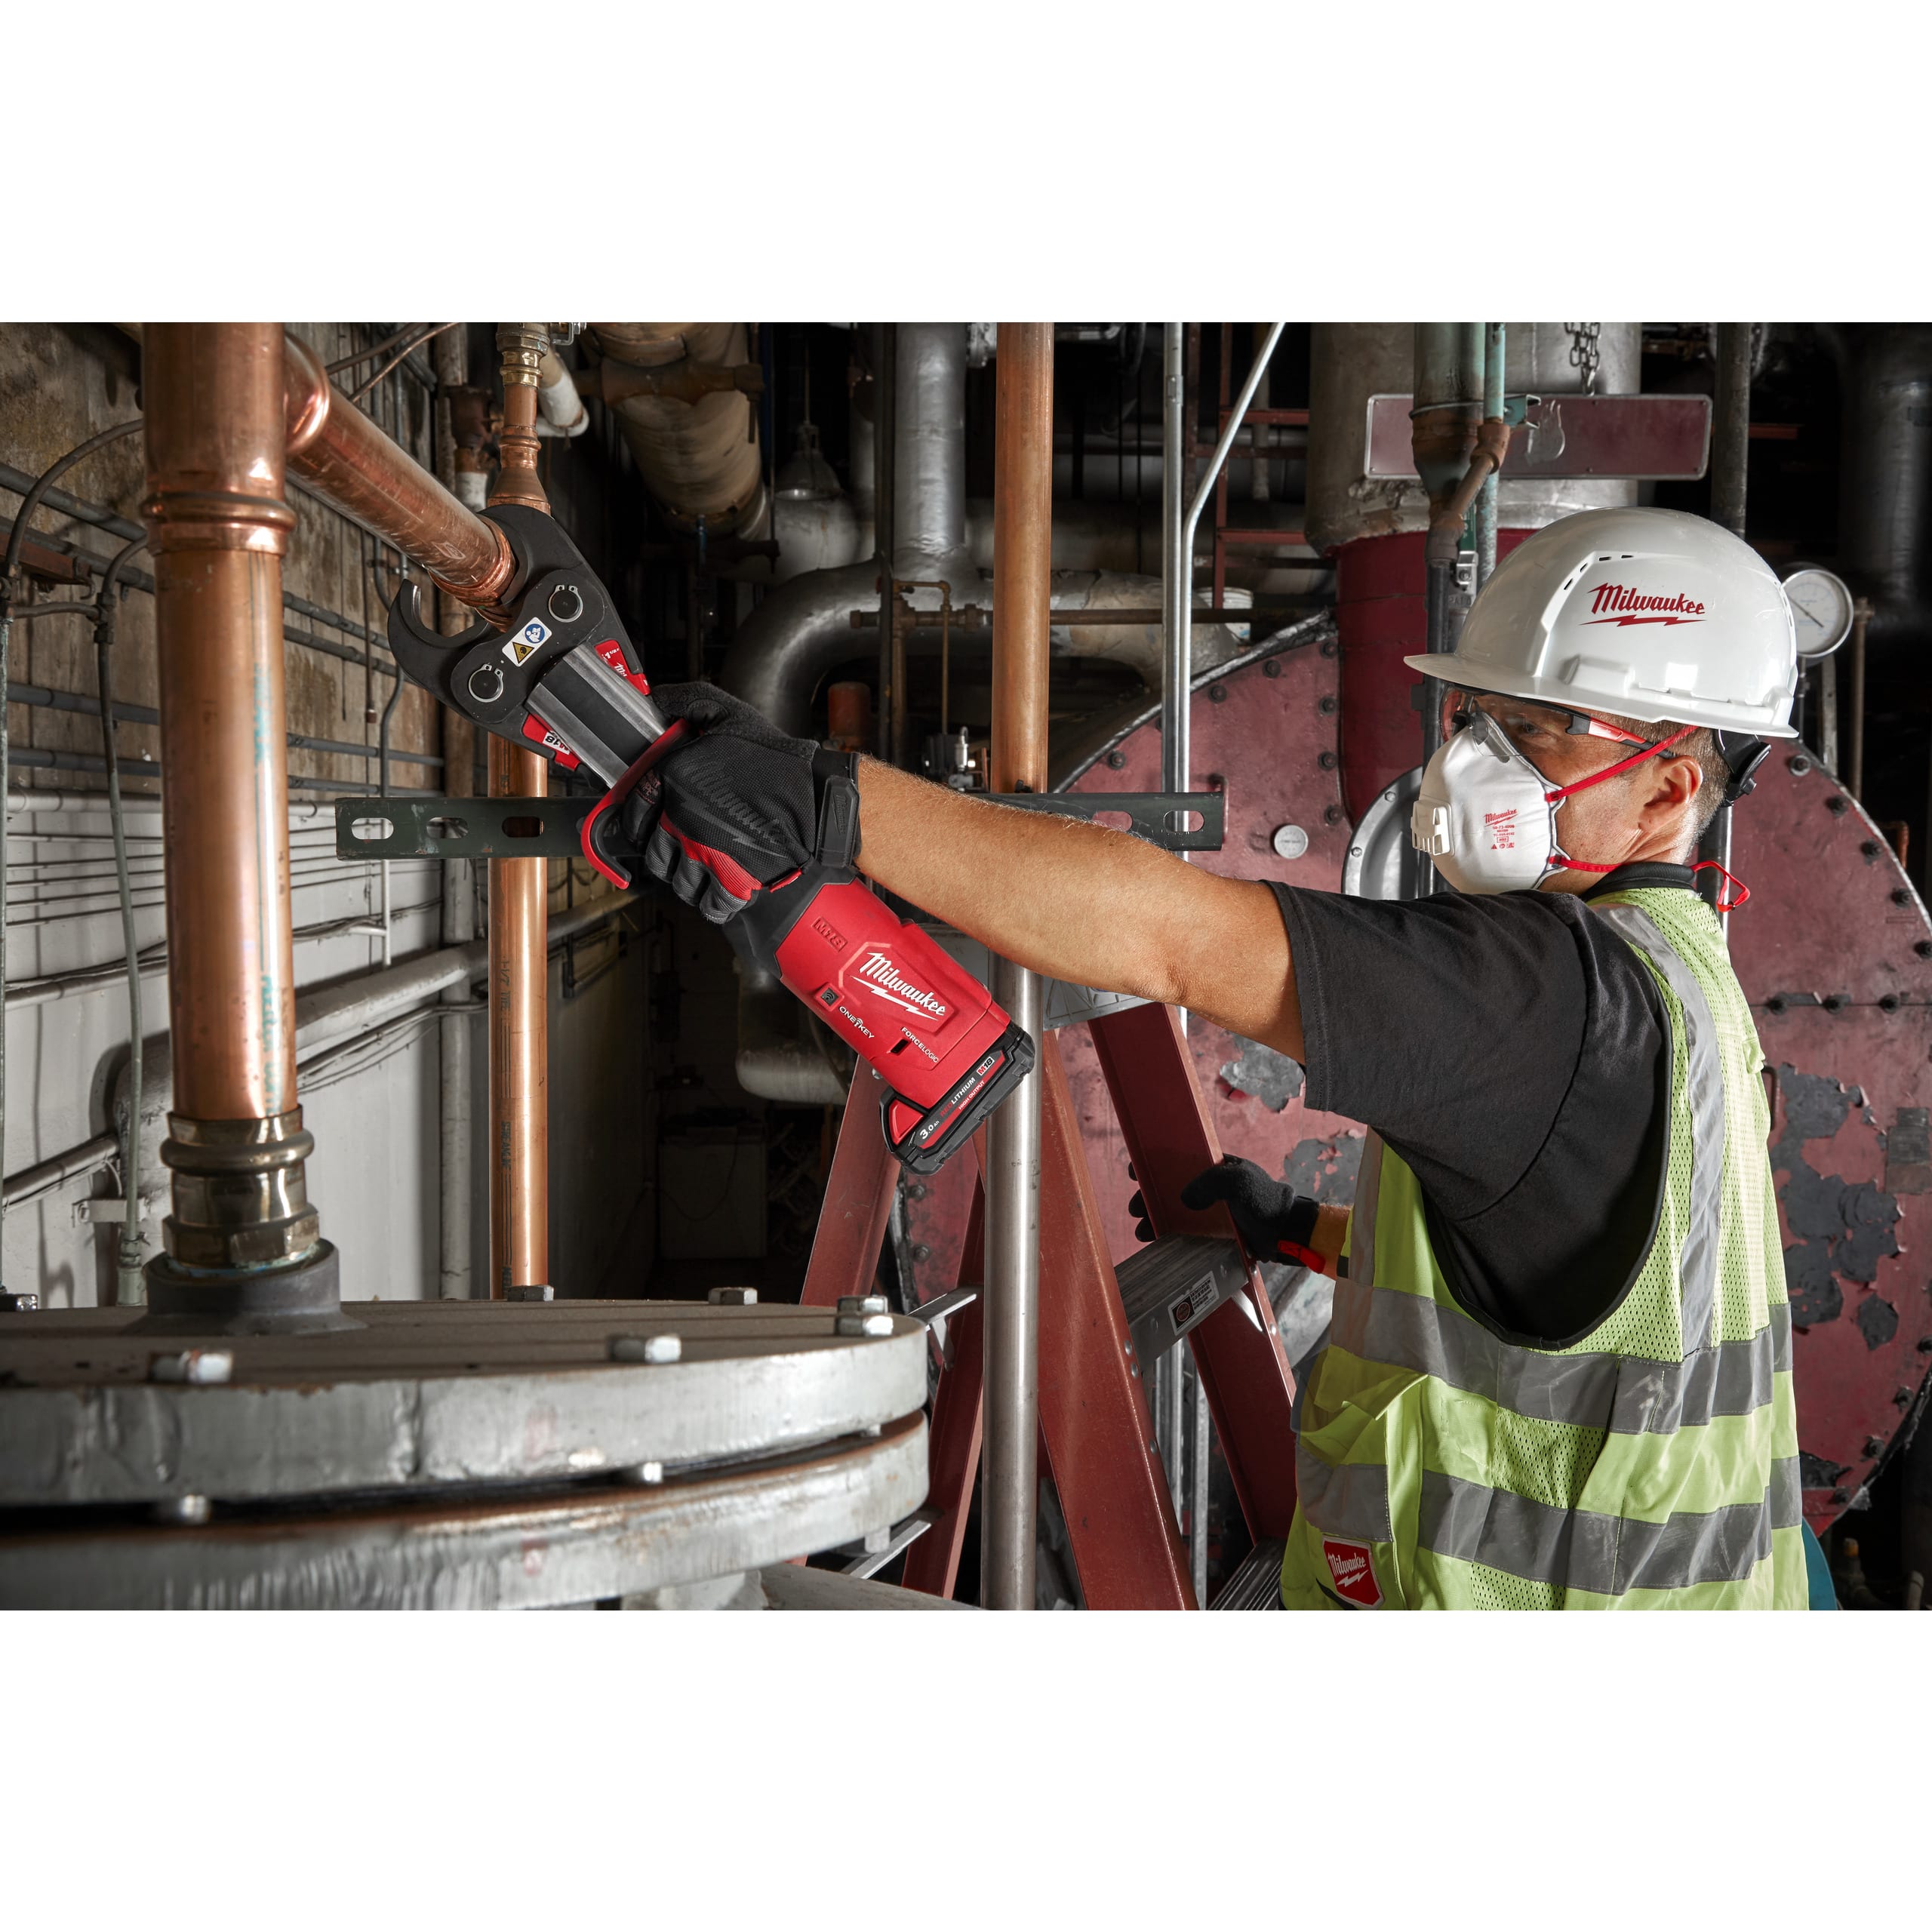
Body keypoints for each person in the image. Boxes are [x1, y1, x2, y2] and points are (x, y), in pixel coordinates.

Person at [634, 506, 1808, 1611]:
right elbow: (1600, 1293)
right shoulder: (1681, 977)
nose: (1477, 761)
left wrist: (826, 803)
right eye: (1476, 718)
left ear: (1667, 791)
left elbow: (1171, 938)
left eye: (1538, 734)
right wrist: (1309, 1233)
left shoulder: (1548, 996)